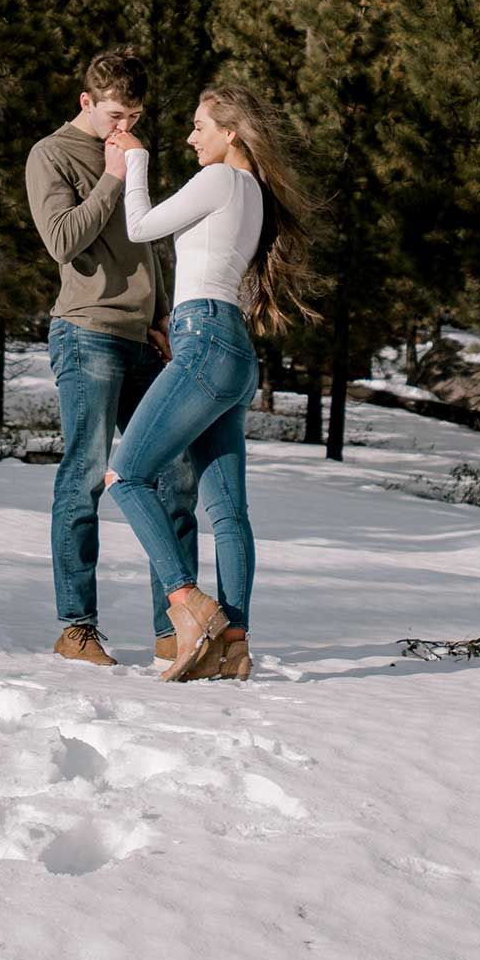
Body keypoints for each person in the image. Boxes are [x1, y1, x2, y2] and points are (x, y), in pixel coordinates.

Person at [103, 82, 312, 682]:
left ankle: (188, 605)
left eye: (200, 126)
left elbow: (140, 226)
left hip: (205, 339)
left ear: (231, 131)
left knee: (128, 474)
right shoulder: (255, 194)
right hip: (233, 347)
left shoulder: (220, 180)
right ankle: (235, 644)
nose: (192, 137)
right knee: (229, 513)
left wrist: (136, 159)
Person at [24, 48, 199, 667]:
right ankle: (77, 629)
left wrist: (161, 318)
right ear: (87, 104)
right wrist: (114, 176)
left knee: (174, 475)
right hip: (87, 334)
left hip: (141, 338)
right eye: (115, 115)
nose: (125, 128)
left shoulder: (127, 151)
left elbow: (146, 236)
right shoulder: (53, 154)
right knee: (86, 473)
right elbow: (63, 240)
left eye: (135, 116)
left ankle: (173, 630)